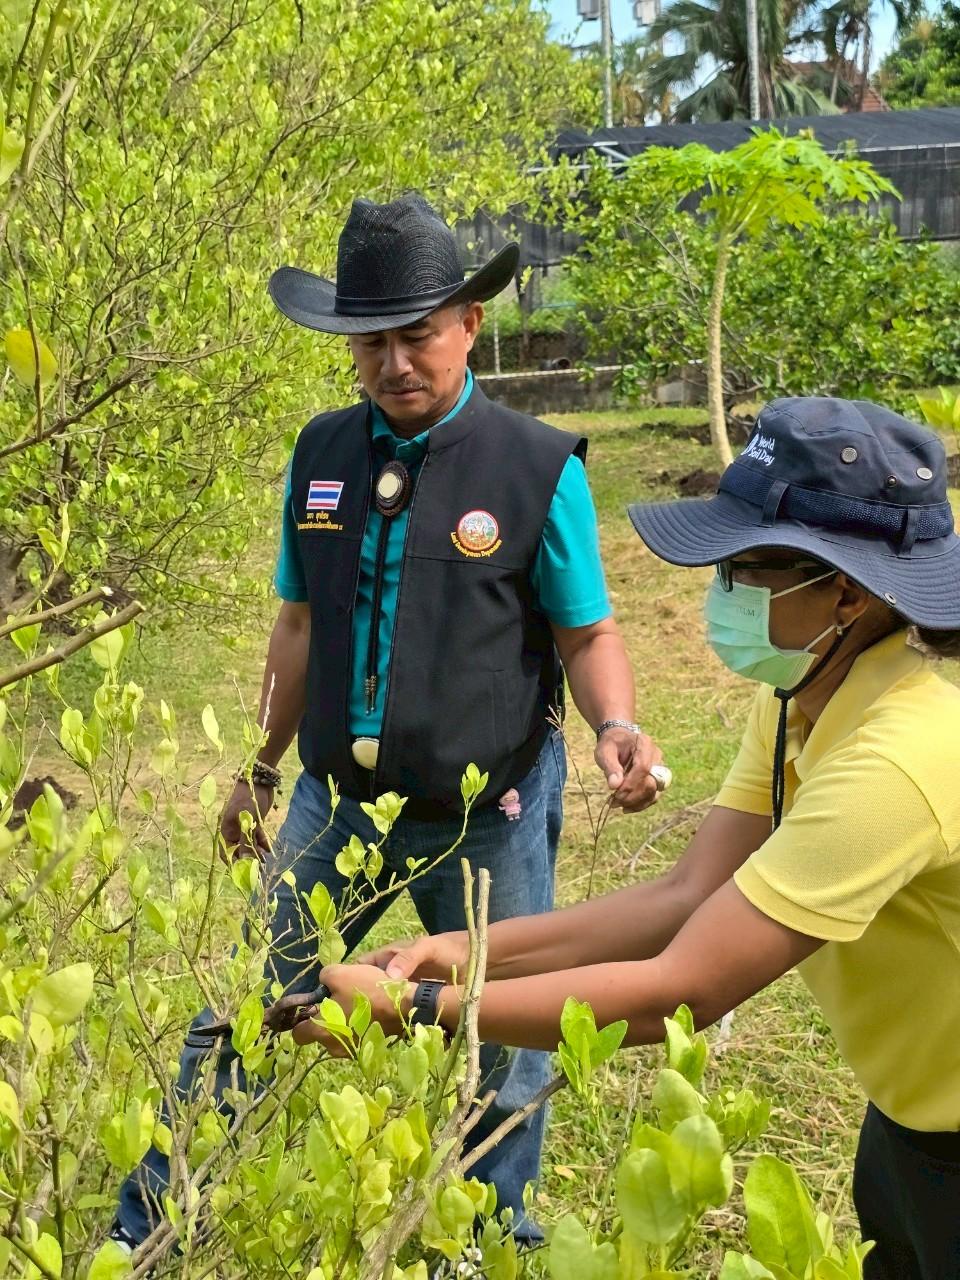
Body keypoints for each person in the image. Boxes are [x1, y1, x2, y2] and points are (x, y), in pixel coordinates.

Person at [111, 192, 665, 1253]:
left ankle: (483, 1239)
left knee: (504, 1041)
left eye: (418, 334)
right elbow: (297, 624)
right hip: (335, 803)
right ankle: (155, 1227)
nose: (396, 361)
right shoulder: (321, 455)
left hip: (486, 810)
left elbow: (588, 633)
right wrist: (259, 769)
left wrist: (616, 725)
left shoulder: (537, 467)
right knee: (243, 1009)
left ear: (469, 324)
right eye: (371, 341)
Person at [301, 398, 960, 1280]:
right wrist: (463, 952)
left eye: (744, 567)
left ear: (844, 588)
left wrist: (416, 1014)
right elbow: (680, 900)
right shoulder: (808, 699)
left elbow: (677, 993)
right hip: (911, 1116)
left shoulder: (897, 760)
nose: (718, 588)